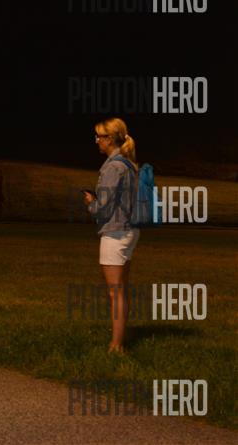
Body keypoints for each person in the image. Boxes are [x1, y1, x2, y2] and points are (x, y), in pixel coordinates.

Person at [83, 117, 139, 354]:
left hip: (115, 233)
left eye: (99, 137)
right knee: (121, 290)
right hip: (129, 231)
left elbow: (103, 207)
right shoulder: (128, 165)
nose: (96, 141)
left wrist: (91, 203)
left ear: (109, 139)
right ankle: (118, 341)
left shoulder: (113, 167)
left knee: (115, 293)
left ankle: (116, 346)